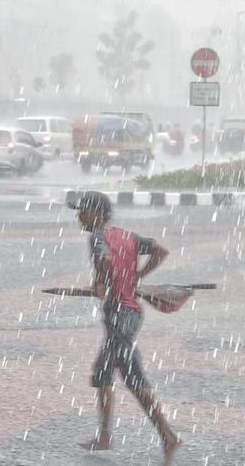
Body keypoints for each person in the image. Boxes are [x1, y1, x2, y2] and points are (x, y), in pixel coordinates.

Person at [68, 191, 181, 465]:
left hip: (121, 314)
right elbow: (160, 251)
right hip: (128, 312)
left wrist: (101, 283)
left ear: (96, 214)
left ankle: (168, 436)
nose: (78, 216)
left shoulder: (97, 237)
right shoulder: (125, 235)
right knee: (102, 374)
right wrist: (137, 275)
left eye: (82, 211)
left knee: (134, 379)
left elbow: (105, 261)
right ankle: (105, 436)